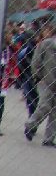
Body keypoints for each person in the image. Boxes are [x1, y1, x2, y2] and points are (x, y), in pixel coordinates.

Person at [24, 18, 56, 146]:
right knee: (45, 105)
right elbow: (36, 61)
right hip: (46, 80)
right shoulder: (46, 44)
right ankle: (30, 125)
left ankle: (49, 138)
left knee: (55, 112)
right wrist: (37, 75)